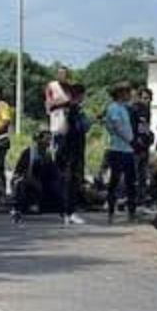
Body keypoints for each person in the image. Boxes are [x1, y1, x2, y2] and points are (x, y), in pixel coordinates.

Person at [102, 83, 138, 224]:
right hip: (117, 149)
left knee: (130, 182)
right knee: (114, 181)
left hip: (127, 150)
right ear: (120, 94)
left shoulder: (124, 108)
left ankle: (132, 212)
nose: (129, 95)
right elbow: (117, 127)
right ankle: (111, 211)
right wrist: (131, 140)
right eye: (127, 92)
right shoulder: (113, 108)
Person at [11, 130, 63, 221]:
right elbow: (19, 171)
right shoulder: (29, 153)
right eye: (46, 139)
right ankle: (22, 207)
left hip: (41, 180)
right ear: (39, 140)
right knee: (26, 184)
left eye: (49, 140)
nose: (48, 142)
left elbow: (53, 171)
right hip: (25, 178)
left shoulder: (48, 154)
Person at [57, 82, 89, 225]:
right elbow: (78, 128)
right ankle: (69, 212)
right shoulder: (73, 110)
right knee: (72, 181)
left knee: (68, 181)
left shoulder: (65, 109)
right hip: (72, 149)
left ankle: (66, 212)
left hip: (67, 148)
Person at [130, 87, 155, 207]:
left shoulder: (148, 111)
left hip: (144, 147)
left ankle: (141, 200)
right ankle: (132, 199)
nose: (147, 100)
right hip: (135, 148)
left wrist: (150, 136)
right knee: (133, 175)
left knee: (143, 175)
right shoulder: (134, 110)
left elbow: (146, 128)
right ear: (140, 98)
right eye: (145, 98)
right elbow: (132, 128)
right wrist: (136, 139)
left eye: (149, 98)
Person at [45, 68, 72, 143]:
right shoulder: (52, 85)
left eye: (64, 73)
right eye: (60, 73)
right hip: (55, 117)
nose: (62, 75)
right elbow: (49, 103)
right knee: (55, 139)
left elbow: (71, 100)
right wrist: (62, 102)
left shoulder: (69, 87)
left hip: (66, 118)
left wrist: (59, 102)